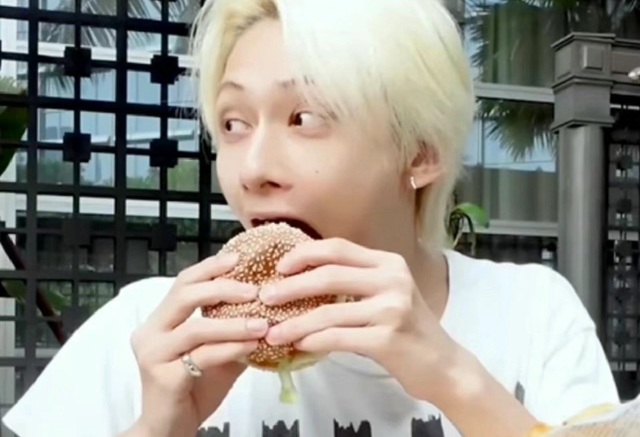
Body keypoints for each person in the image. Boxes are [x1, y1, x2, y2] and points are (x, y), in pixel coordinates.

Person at [2, 0, 620, 436]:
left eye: (305, 118)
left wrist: (457, 381)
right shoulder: (149, 335)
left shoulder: (530, 315)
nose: (253, 170)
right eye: (234, 124)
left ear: (421, 151)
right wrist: (156, 428)